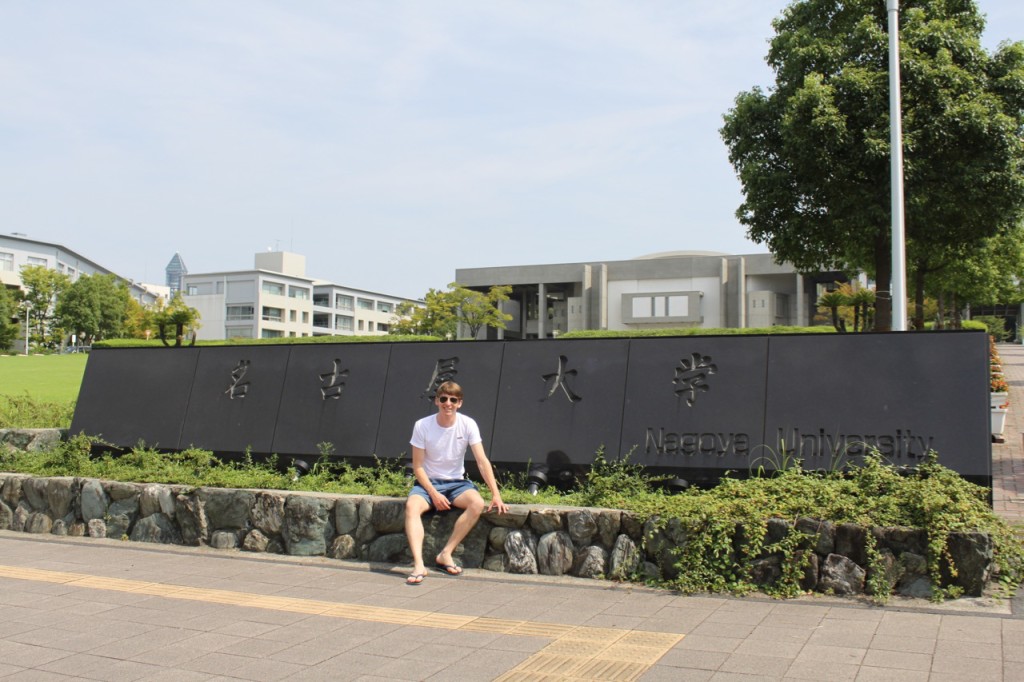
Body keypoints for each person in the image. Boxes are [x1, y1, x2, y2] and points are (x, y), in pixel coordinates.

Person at [404, 381, 508, 585]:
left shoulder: (468, 424)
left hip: (457, 484)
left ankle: (446, 553)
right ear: (436, 401)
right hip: (429, 483)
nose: (448, 403)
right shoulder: (422, 425)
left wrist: (496, 494)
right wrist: (433, 493)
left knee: (477, 503)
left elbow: (481, 460)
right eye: (443, 399)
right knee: (411, 506)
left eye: (453, 400)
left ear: (459, 403)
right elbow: (418, 467)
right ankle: (418, 565)